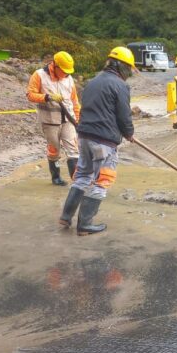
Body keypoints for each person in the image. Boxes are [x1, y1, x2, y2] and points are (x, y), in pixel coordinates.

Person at [58, 46, 136, 235]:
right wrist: (129, 133)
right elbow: (124, 115)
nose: (129, 74)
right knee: (103, 179)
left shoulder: (92, 82)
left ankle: (66, 217)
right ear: (122, 67)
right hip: (103, 141)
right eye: (129, 69)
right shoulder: (120, 85)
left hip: (84, 136)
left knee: (82, 175)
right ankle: (84, 224)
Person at [26, 51, 80, 186]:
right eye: (64, 71)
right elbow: (30, 95)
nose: (66, 74)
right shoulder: (39, 75)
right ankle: (56, 177)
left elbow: (74, 101)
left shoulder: (69, 78)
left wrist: (78, 119)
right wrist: (47, 97)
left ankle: (77, 182)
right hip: (49, 121)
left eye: (68, 71)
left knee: (73, 149)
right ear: (55, 65)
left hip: (68, 120)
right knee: (54, 149)